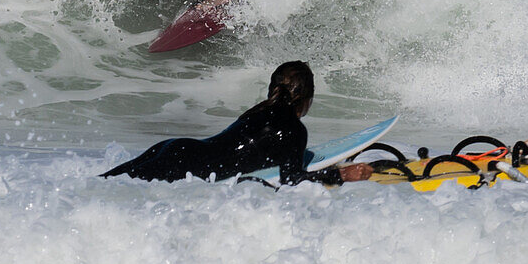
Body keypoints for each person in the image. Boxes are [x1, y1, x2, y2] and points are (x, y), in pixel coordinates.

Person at [101, 61, 371, 185]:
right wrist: (342, 175)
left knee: (102, 185)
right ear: (306, 97)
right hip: (187, 166)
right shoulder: (292, 129)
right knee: (109, 191)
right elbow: (292, 179)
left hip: (176, 148)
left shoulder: (258, 112)